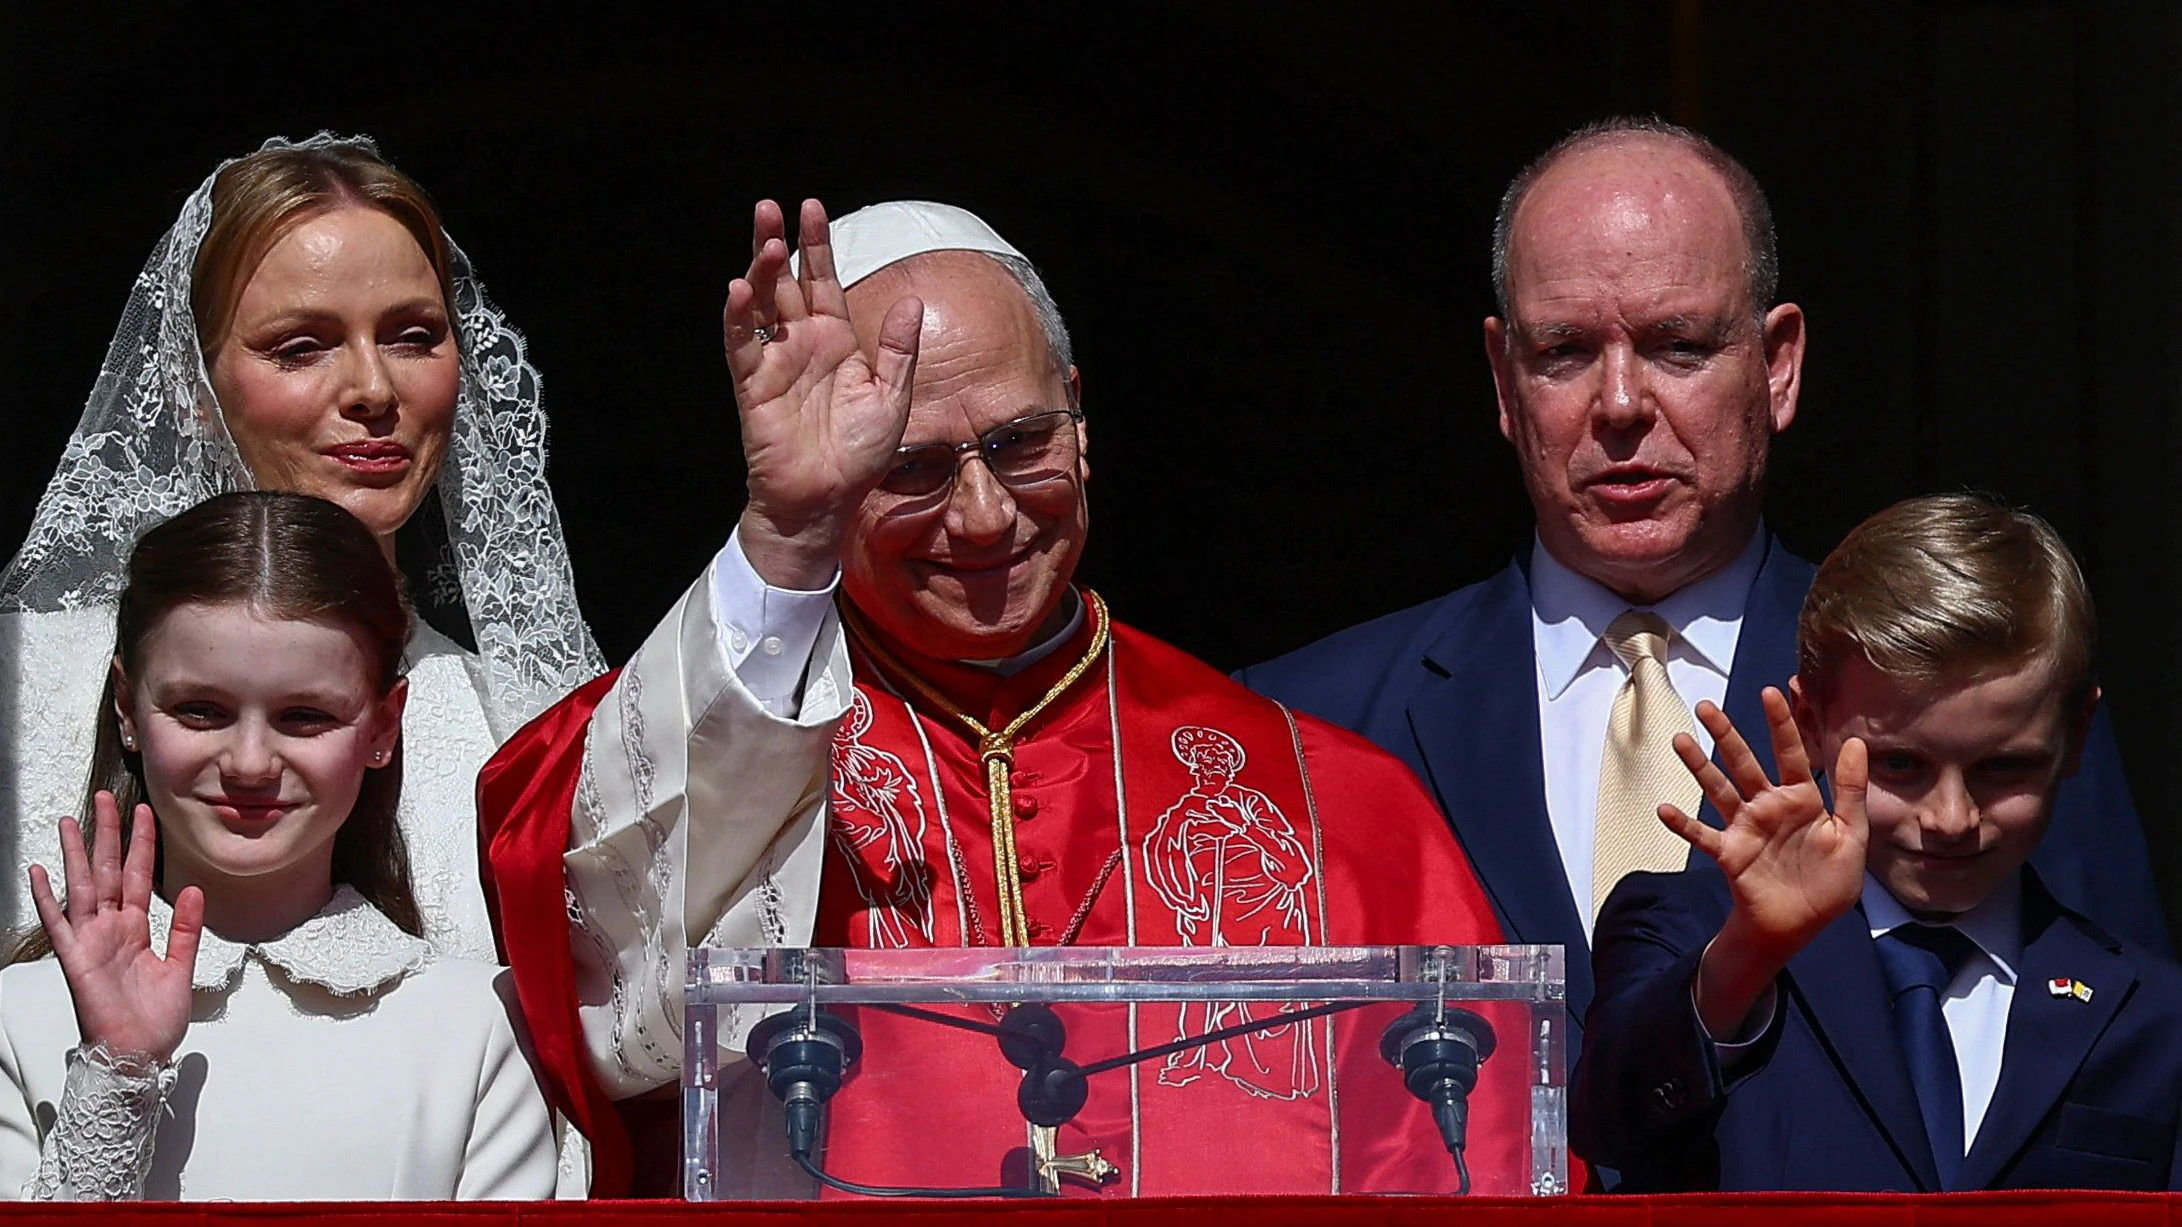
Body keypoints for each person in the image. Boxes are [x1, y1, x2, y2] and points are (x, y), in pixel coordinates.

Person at [479, 199, 1535, 1198]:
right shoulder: (743, 737)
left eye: (1021, 442)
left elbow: (1476, 1169)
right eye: (911, 467)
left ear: (1078, 415)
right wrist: (786, 537)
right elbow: (612, 994)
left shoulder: (1334, 805)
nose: (982, 517)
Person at [1236, 117, 2165, 1051]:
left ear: (1779, 366)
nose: (1623, 404)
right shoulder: (1303, 728)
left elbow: (2111, 1074)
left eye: (1678, 345)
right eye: (1564, 351)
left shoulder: (1978, 698)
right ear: (1504, 381)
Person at [0, 134, 604, 965]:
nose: (372, 390)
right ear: (195, 390)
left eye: (413, 335)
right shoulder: (24, 686)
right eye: (302, 346)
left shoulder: (533, 723)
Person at [1571, 494, 2182, 1191]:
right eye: (1900, 765)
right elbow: (1608, 1127)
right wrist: (1748, 953)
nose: (1952, 816)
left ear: (2075, 736)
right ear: (1810, 724)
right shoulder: (1691, 931)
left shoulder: (2149, 1013)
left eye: (2002, 767)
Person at [0, 491, 557, 1200]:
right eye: (201, 710)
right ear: (126, 706)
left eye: (305, 716)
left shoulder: (477, 1023)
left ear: (384, 725)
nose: (251, 761)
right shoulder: (18, 1016)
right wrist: (116, 1072)